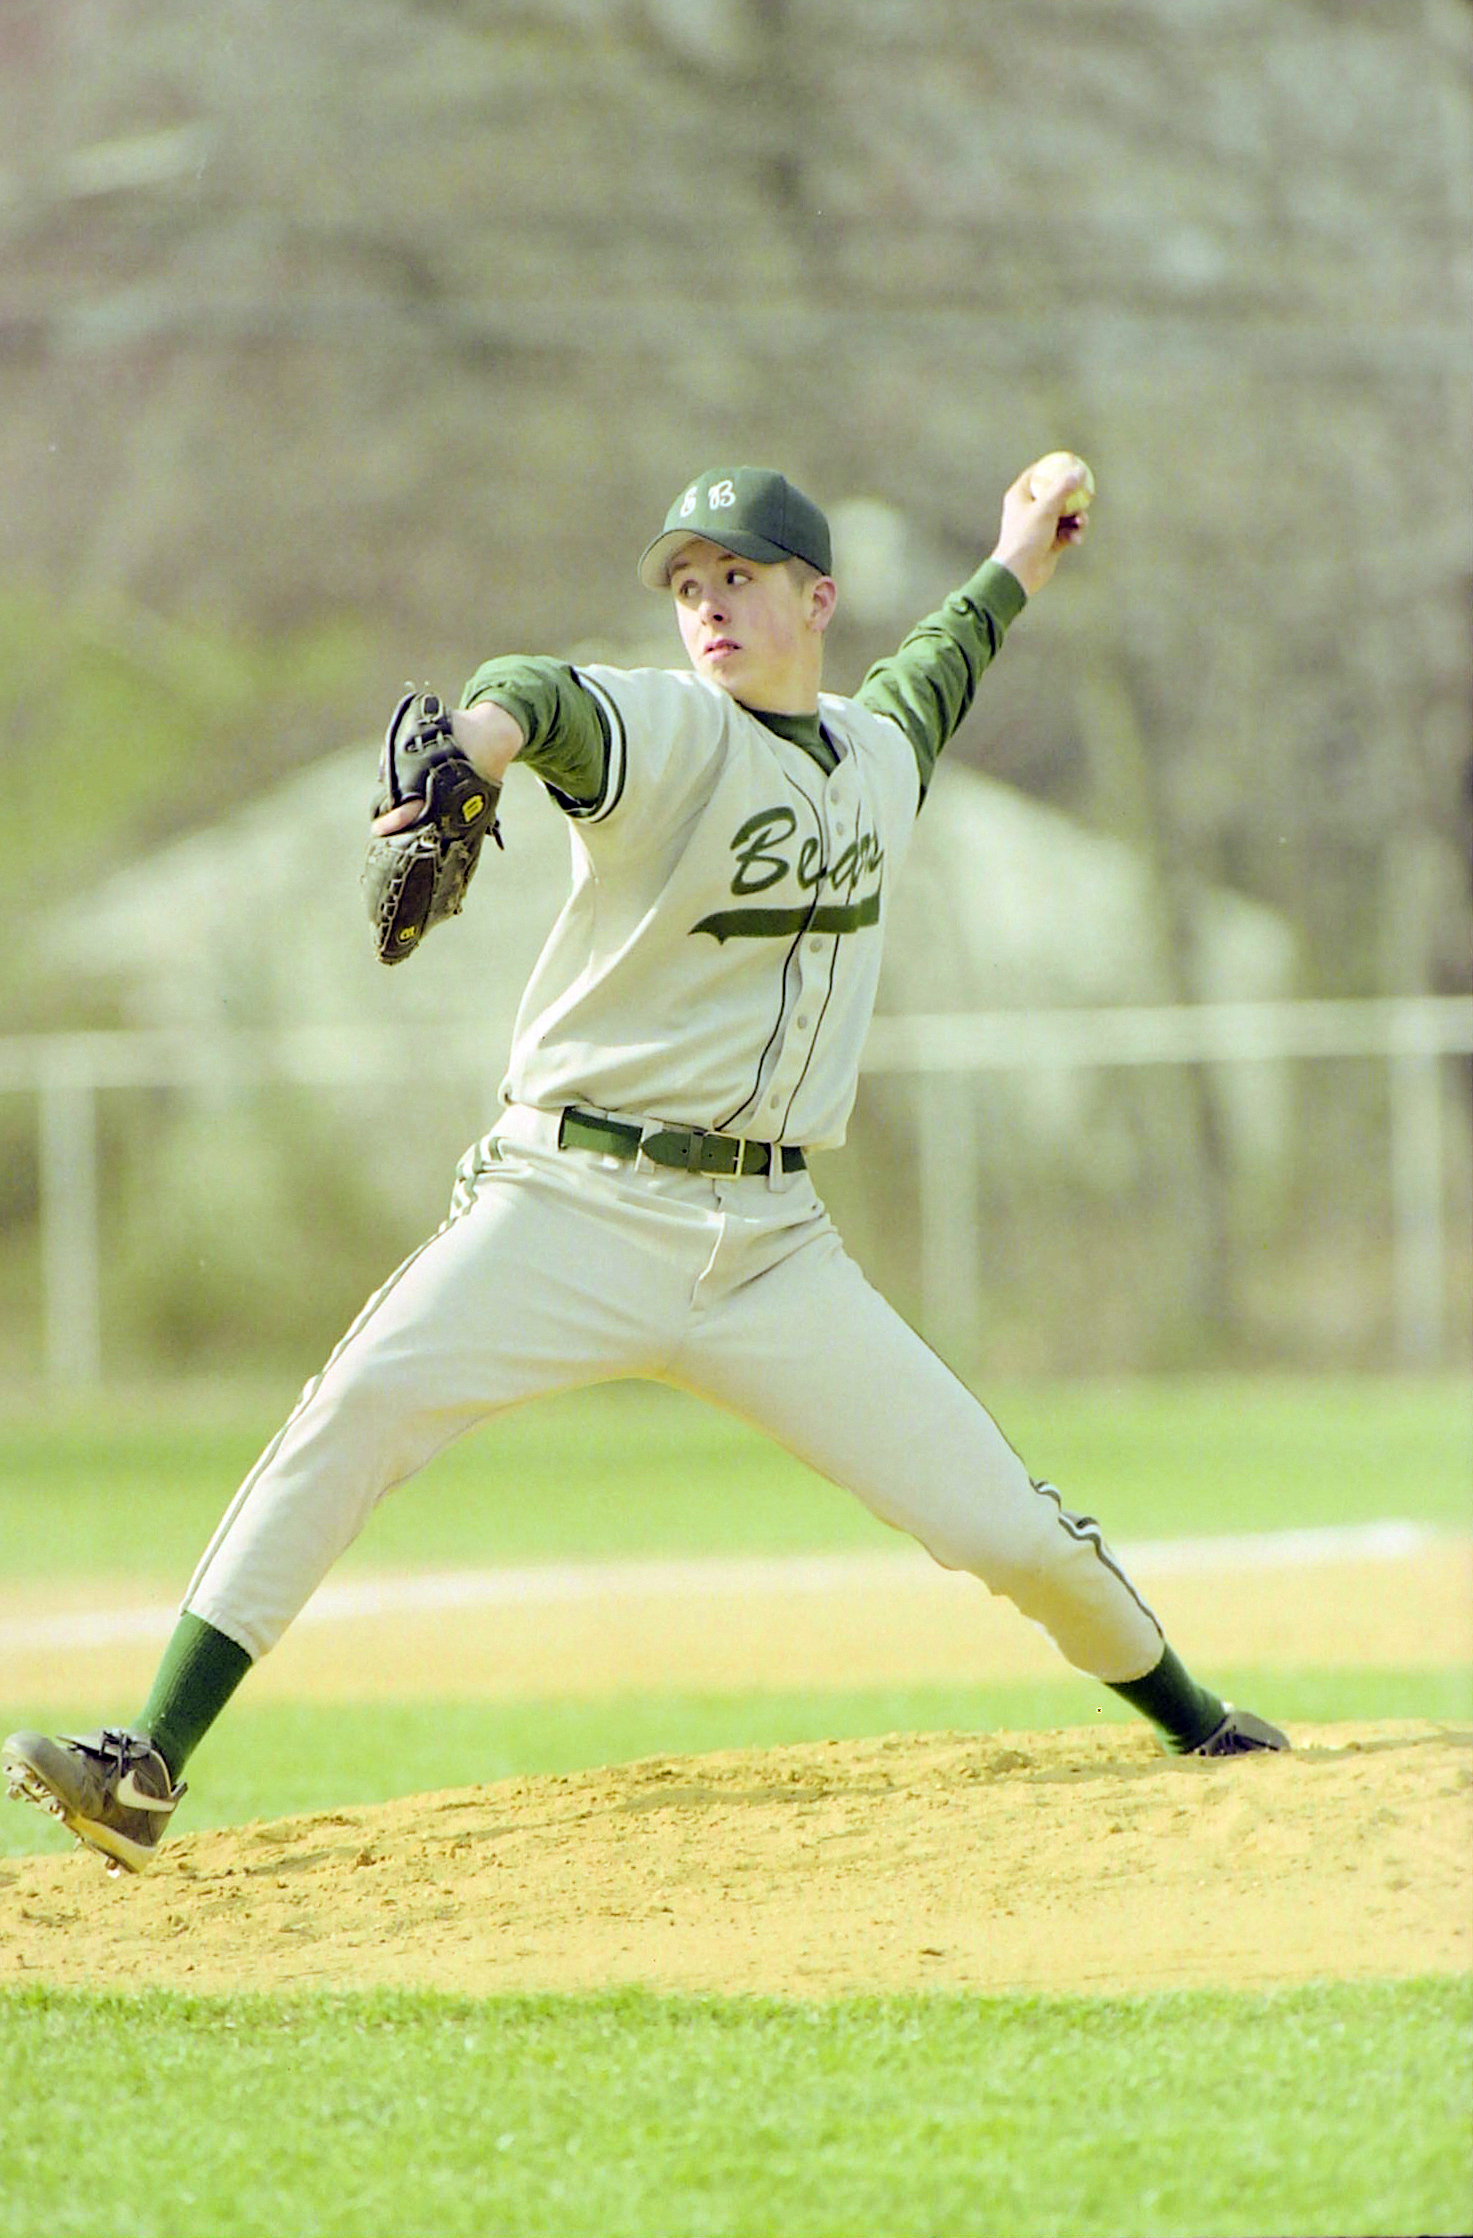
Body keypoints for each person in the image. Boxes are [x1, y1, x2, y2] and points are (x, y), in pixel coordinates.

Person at [5, 458, 1288, 1875]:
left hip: (773, 1248)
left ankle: (1200, 1723)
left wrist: (1018, 553)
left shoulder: (876, 755)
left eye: (738, 574)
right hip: (570, 1204)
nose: (707, 604)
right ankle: (148, 1762)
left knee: (1007, 1528)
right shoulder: (671, 728)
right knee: (357, 1409)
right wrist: (483, 741)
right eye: (687, 582)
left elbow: (944, 658)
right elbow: (543, 694)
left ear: (818, 598)